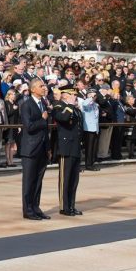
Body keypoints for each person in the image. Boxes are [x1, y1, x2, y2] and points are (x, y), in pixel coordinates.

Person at [20, 78, 51, 220]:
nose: (44, 88)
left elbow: (46, 130)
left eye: (44, 85)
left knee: (38, 181)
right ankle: (28, 210)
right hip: (30, 148)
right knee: (29, 181)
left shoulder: (43, 103)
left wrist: (48, 147)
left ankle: (36, 206)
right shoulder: (27, 105)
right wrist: (42, 120)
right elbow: (29, 126)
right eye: (41, 86)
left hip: (42, 148)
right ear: (33, 89)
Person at [52, 85, 83, 216]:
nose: (75, 97)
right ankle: (64, 207)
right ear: (65, 95)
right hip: (65, 147)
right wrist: (70, 106)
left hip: (75, 146)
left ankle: (71, 205)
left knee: (74, 179)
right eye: (73, 95)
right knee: (65, 179)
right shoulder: (59, 106)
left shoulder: (75, 109)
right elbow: (63, 119)